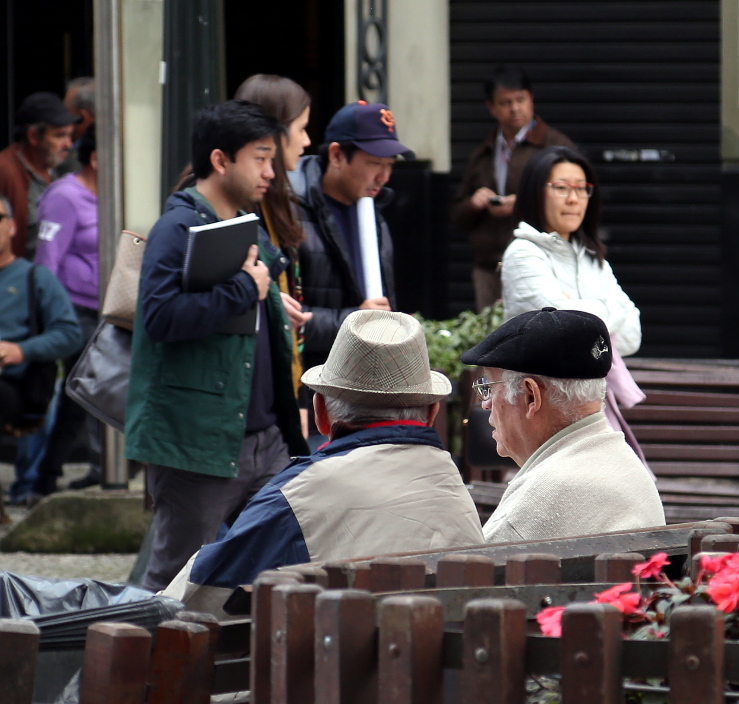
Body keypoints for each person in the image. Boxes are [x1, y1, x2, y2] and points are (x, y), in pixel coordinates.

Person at [162, 309, 483, 608]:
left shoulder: (296, 494)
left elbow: (190, 603)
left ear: (321, 413)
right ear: (432, 412)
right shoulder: (451, 484)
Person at [125, 100, 308, 591]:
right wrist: (245, 290)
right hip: (198, 442)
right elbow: (159, 318)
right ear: (220, 160)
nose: (270, 172)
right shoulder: (176, 228)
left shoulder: (246, 221)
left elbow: (255, 296)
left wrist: (273, 306)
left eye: (272, 159)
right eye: (260, 158)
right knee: (174, 580)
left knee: (277, 571)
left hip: (267, 437)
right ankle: (132, 643)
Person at [460, 307, 664, 542]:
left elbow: (475, 564)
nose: (485, 404)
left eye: (489, 387)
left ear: (531, 396)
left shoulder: (546, 492)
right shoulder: (624, 462)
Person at [502, 145, 647, 459]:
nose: (574, 199)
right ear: (535, 193)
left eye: (582, 188)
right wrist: (601, 312)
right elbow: (565, 330)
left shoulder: (593, 258)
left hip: (590, 408)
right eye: (561, 188)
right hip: (543, 409)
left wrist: (581, 308)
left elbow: (631, 335)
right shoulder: (523, 254)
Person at [289, 100, 411, 380]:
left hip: (362, 376)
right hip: (308, 378)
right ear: (336, 155)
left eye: (390, 165)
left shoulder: (374, 211)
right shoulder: (291, 210)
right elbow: (284, 316)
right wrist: (355, 321)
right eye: (374, 163)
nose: (383, 177)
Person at [451, 65, 574, 310]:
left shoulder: (555, 147)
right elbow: (457, 217)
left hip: (540, 266)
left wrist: (522, 204)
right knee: (492, 332)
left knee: (539, 327)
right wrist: (473, 204)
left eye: (520, 100)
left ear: (531, 99)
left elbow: (573, 202)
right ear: (491, 107)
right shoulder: (484, 152)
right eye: (505, 103)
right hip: (490, 267)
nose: (515, 108)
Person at [233, 74, 314, 433]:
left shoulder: (277, 200)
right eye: (301, 129)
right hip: (248, 401)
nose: (307, 141)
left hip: (280, 389)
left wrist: (298, 398)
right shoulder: (232, 203)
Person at [0, 193, 83, 512]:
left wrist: (20, 350)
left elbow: (70, 334)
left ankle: (29, 485)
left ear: (12, 226)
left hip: (17, 385)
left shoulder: (34, 277)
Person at [31, 128, 102, 497]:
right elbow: (47, 260)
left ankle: (99, 467)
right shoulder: (65, 196)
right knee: (81, 391)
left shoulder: (112, 195)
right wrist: (48, 315)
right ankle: (45, 477)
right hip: (74, 309)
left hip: (110, 308)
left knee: (94, 391)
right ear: (96, 159)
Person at [0, 93, 78, 258]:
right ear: (34, 137)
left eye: (70, 135)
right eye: (60, 135)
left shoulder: (58, 170)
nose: (68, 144)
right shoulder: (6, 171)